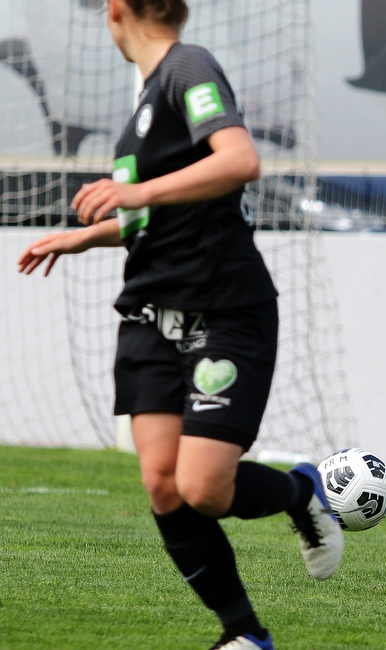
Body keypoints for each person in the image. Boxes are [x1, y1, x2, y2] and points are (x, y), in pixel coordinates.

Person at [16, 1, 342, 648]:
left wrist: (135, 193)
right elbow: (166, 214)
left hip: (221, 309)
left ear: (117, 10)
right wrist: (91, 238)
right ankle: (244, 636)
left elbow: (239, 160)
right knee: (164, 486)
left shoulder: (186, 68)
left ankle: (301, 492)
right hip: (148, 314)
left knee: (203, 486)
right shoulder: (144, 106)